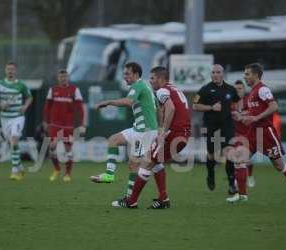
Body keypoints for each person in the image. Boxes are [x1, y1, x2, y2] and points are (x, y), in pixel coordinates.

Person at [227, 63, 286, 205]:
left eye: (247, 74)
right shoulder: (252, 92)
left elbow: (274, 106)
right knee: (239, 159)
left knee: (279, 166)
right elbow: (251, 112)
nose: (244, 76)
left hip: (266, 133)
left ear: (256, 75)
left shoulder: (262, 89)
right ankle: (242, 195)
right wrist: (240, 116)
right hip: (253, 132)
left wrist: (256, 118)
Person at [112, 66, 191, 209]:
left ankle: (132, 201)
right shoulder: (173, 88)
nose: (151, 81)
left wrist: (163, 133)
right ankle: (163, 199)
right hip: (184, 133)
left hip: (175, 134)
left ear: (161, 79)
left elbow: (171, 108)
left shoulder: (162, 90)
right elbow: (166, 109)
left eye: (153, 78)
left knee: (147, 162)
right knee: (155, 162)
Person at [90, 62, 158, 201]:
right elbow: (155, 107)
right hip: (138, 128)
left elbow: (128, 102)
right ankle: (109, 174)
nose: (125, 77)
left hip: (145, 131)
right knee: (113, 140)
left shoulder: (138, 85)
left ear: (136, 74)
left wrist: (108, 101)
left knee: (135, 165)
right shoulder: (144, 87)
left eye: (127, 74)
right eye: (124, 74)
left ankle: (129, 199)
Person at [193, 64, 240, 194]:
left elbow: (236, 101)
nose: (215, 74)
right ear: (211, 74)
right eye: (213, 72)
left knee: (229, 152)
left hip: (226, 123)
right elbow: (195, 106)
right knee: (211, 153)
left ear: (222, 74)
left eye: (218, 72)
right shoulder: (205, 89)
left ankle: (231, 183)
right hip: (210, 124)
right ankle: (211, 174)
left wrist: (237, 112)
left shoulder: (230, 89)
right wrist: (211, 107)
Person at [0, 62, 33, 180]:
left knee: (14, 139)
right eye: (8, 69)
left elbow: (29, 97)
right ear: (5, 70)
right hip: (5, 118)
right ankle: (19, 166)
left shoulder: (21, 85)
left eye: (12, 69)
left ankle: (14, 171)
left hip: (17, 117)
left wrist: (24, 107)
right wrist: (0, 104)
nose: (10, 71)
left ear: (15, 71)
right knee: (11, 144)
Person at [43, 69, 86, 182]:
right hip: (54, 124)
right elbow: (47, 107)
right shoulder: (53, 90)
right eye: (61, 77)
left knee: (68, 149)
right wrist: (46, 121)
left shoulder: (74, 90)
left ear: (68, 77)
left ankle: (67, 173)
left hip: (68, 125)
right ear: (58, 78)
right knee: (52, 146)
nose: (63, 78)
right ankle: (57, 169)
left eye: (65, 76)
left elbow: (80, 109)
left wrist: (81, 124)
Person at [234, 80, 255, 188]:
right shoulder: (231, 103)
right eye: (236, 89)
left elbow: (254, 112)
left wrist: (241, 114)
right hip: (236, 135)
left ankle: (250, 176)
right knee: (237, 158)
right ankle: (237, 183)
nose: (238, 91)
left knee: (247, 161)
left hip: (249, 133)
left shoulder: (249, 101)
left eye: (240, 88)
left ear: (244, 89)